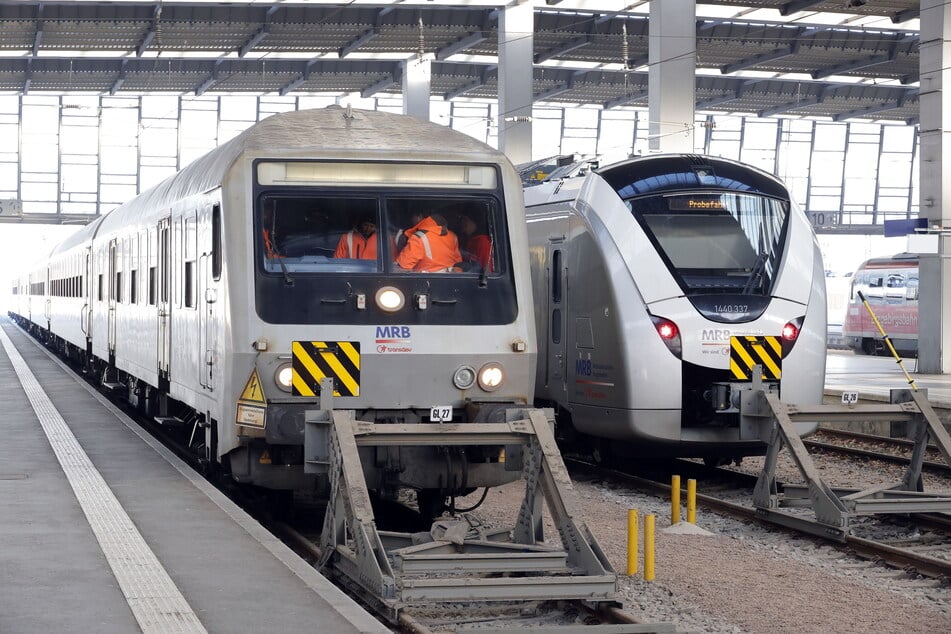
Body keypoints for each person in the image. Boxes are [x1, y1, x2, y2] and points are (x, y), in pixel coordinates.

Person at [395, 213, 463, 272]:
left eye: (412, 218)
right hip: (452, 281)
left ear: (419, 217)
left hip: (426, 283)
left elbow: (403, 268)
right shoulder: (453, 236)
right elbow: (458, 263)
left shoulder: (418, 238)